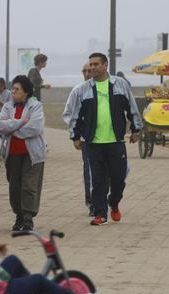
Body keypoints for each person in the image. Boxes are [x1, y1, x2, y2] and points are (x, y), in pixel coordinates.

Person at [64, 53, 142, 226]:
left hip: (116, 142)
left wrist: (136, 129)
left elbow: (132, 107)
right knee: (97, 180)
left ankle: (113, 203)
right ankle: (100, 214)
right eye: (90, 64)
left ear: (105, 65)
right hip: (93, 143)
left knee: (119, 179)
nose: (92, 67)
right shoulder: (83, 90)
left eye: (95, 64)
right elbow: (75, 115)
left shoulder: (120, 85)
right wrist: (75, 137)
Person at [0, 75, 46, 231]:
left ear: (26, 92)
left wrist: (13, 130)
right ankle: (19, 216)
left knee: (29, 186)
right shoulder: (7, 107)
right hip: (12, 154)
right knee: (14, 186)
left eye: (17, 89)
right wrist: (19, 123)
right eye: (13, 89)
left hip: (33, 154)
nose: (13, 92)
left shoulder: (35, 106)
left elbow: (35, 128)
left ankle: (28, 218)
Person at [63, 62, 94, 215]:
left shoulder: (106, 89)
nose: (88, 73)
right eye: (85, 71)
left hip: (107, 138)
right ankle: (91, 202)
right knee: (89, 169)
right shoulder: (77, 91)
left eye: (90, 70)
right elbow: (69, 114)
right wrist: (75, 135)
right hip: (85, 138)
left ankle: (104, 197)